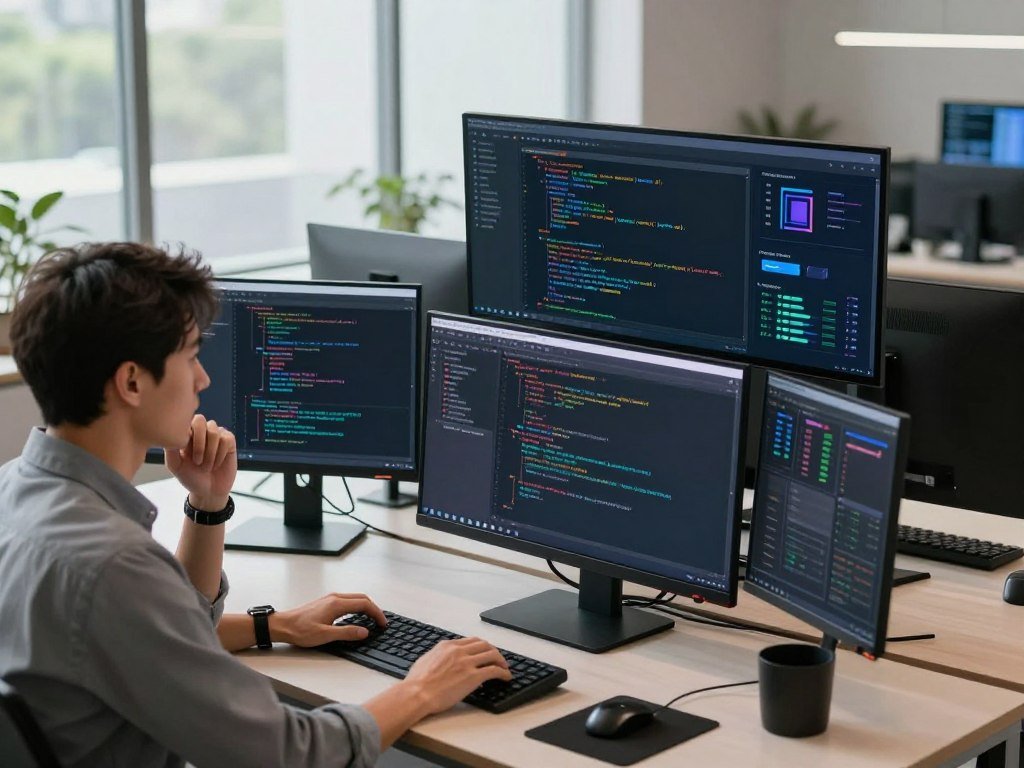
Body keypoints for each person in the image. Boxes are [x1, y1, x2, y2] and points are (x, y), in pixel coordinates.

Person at [0, 242, 511, 767]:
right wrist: (422, 689)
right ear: (132, 381)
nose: (204, 380)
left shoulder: (14, 491)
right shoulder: (112, 564)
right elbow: (289, 755)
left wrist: (212, 513)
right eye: (192, 357)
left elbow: (148, 640)